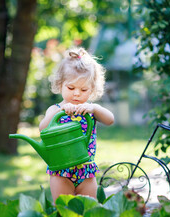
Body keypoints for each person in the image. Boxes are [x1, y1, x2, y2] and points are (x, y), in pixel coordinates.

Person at [39, 47, 114, 203]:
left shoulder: (89, 110)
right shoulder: (55, 110)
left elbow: (110, 120)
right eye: (71, 88)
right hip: (61, 172)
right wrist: (60, 112)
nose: (77, 93)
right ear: (60, 85)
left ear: (92, 89)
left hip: (86, 172)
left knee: (88, 213)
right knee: (64, 213)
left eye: (84, 89)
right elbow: (42, 128)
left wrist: (94, 108)